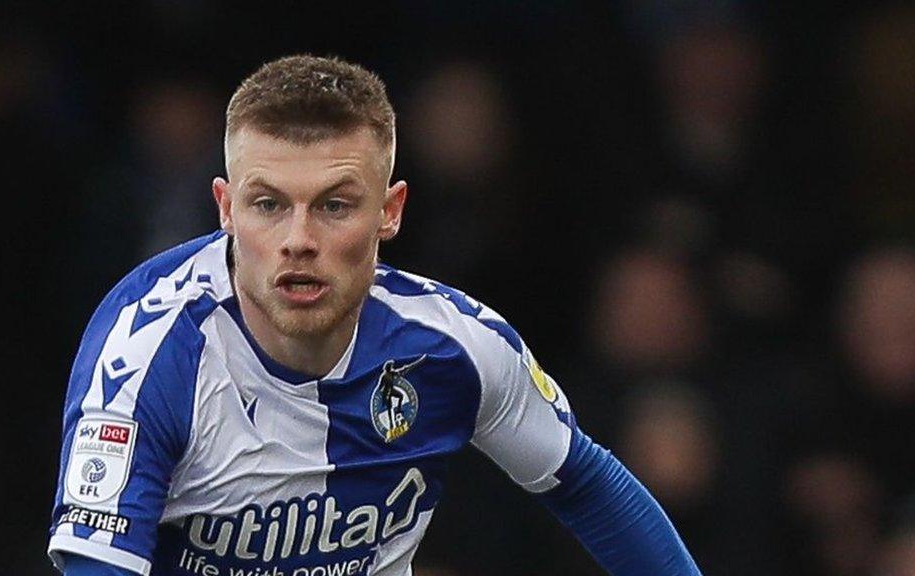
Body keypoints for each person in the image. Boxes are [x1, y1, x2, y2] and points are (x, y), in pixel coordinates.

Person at [47, 55, 702, 576]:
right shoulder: (147, 355)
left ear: (390, 211)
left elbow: (584, 482)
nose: (298, 239)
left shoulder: (455, 347)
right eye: (269, 204)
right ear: (224, 208)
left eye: (334, 206)